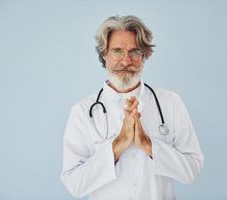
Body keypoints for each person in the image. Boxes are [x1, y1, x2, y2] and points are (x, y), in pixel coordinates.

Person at [60, 15, 204, 200]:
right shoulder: (82, 111)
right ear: (104, 54)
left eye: (134, 52)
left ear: (144, 56)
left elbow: (191, 170)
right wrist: (117, 145)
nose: (126, 61)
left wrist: (147, 144)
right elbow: (74, 184)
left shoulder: (170, 103)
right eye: (117, 51)